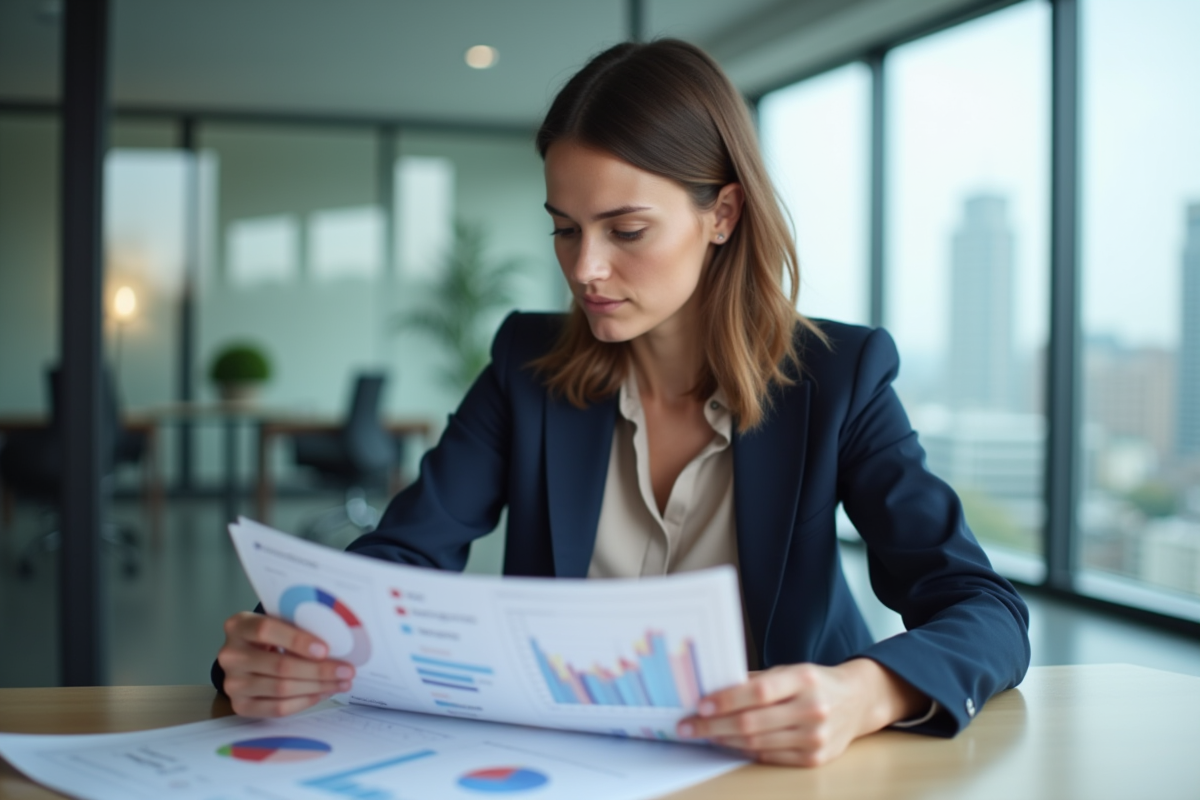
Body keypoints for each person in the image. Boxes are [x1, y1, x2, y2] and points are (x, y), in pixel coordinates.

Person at [214, 39, 1029, 767]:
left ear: (723, 213)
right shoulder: (526, 366)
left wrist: (865, 694)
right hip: (563, 768)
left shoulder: (839, 376)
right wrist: (287, 640)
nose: (585, 269)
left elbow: (983, 608)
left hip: (770, 775)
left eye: (625, 230)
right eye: (564, 229)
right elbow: (406, 554)